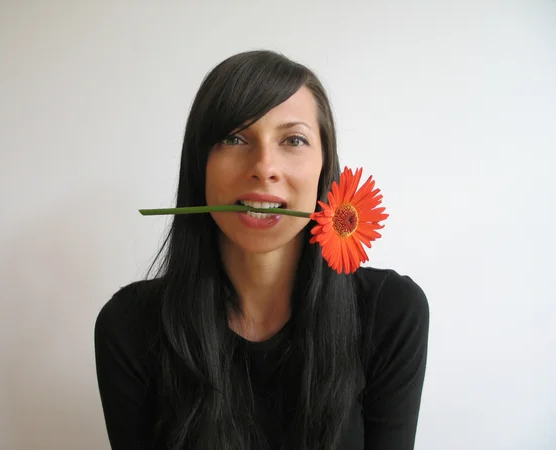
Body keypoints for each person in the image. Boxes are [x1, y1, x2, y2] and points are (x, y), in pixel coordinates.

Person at [94, 50, 430, 450]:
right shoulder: (130, 327)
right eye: (235, 138)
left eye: (293, 140)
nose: (264, 167)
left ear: (326, 168)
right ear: (198, 164)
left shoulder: (390, 312)